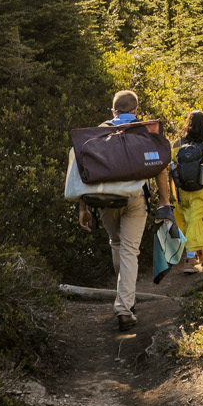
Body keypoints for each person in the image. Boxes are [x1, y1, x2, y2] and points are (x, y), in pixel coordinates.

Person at [77, 89, 173, 330]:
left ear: (113, 110)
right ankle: (124, 308)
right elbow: (160, 167)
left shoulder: (100, 132)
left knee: (117, 246)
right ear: (136, 110)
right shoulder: (144, 132)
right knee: (130, 250)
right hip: (135, 199)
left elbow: (84, 171)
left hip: (105, 201)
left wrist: (83, 207)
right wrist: (164, 202)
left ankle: (125, 299)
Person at [173, 111, 203, 274]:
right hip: (202, 190)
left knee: (190, 221)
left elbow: (172, 165)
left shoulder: (178, 144)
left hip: (182, 191)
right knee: (195, 220)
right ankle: (190, 259)